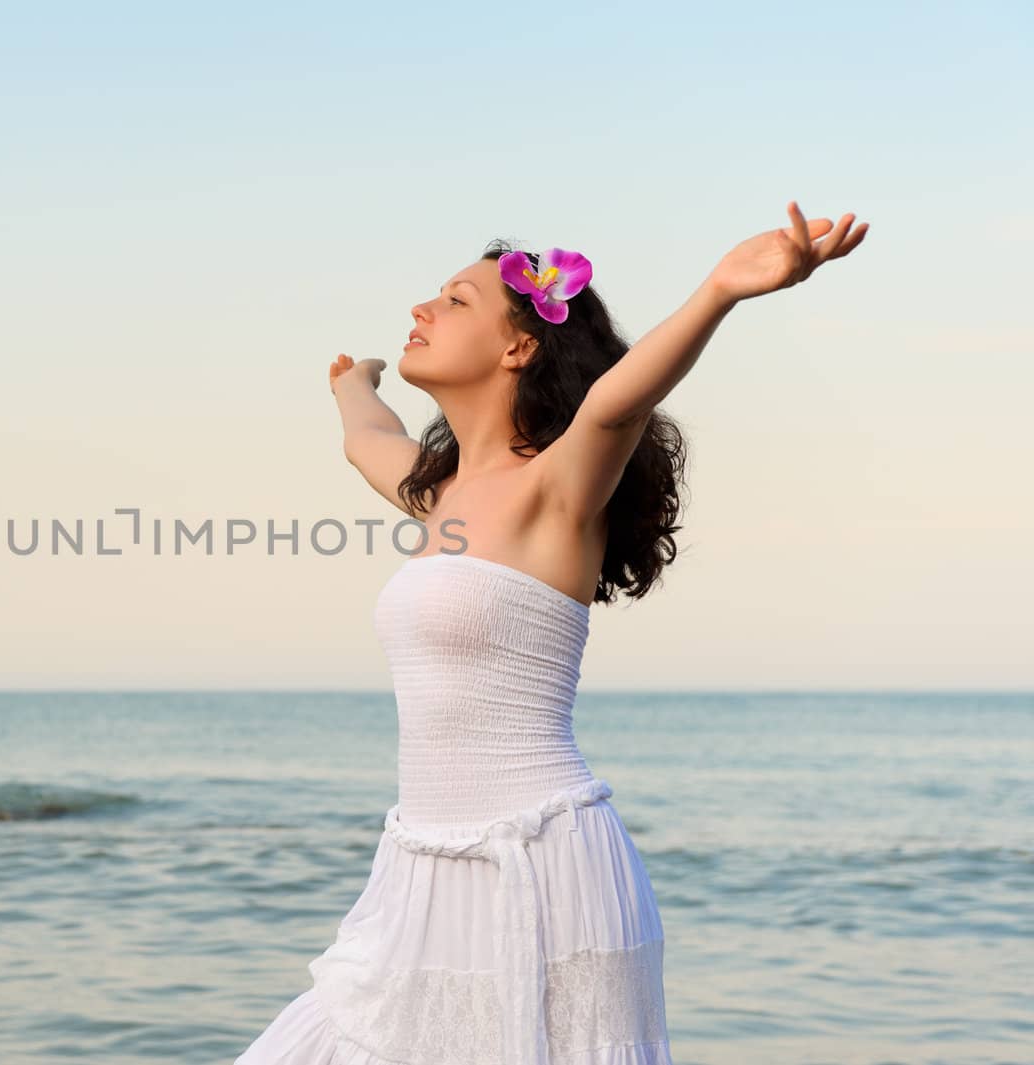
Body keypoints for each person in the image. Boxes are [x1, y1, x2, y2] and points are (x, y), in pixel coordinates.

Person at [235, 203, 869, 1064]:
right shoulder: (443, 500)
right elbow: (366, 442)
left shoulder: (557, 488)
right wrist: (355, 384)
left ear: (519, 345)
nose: (423, 308)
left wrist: (722, 288)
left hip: (546, 866)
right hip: (420, 872)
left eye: (455, 301)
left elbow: (615, 402)